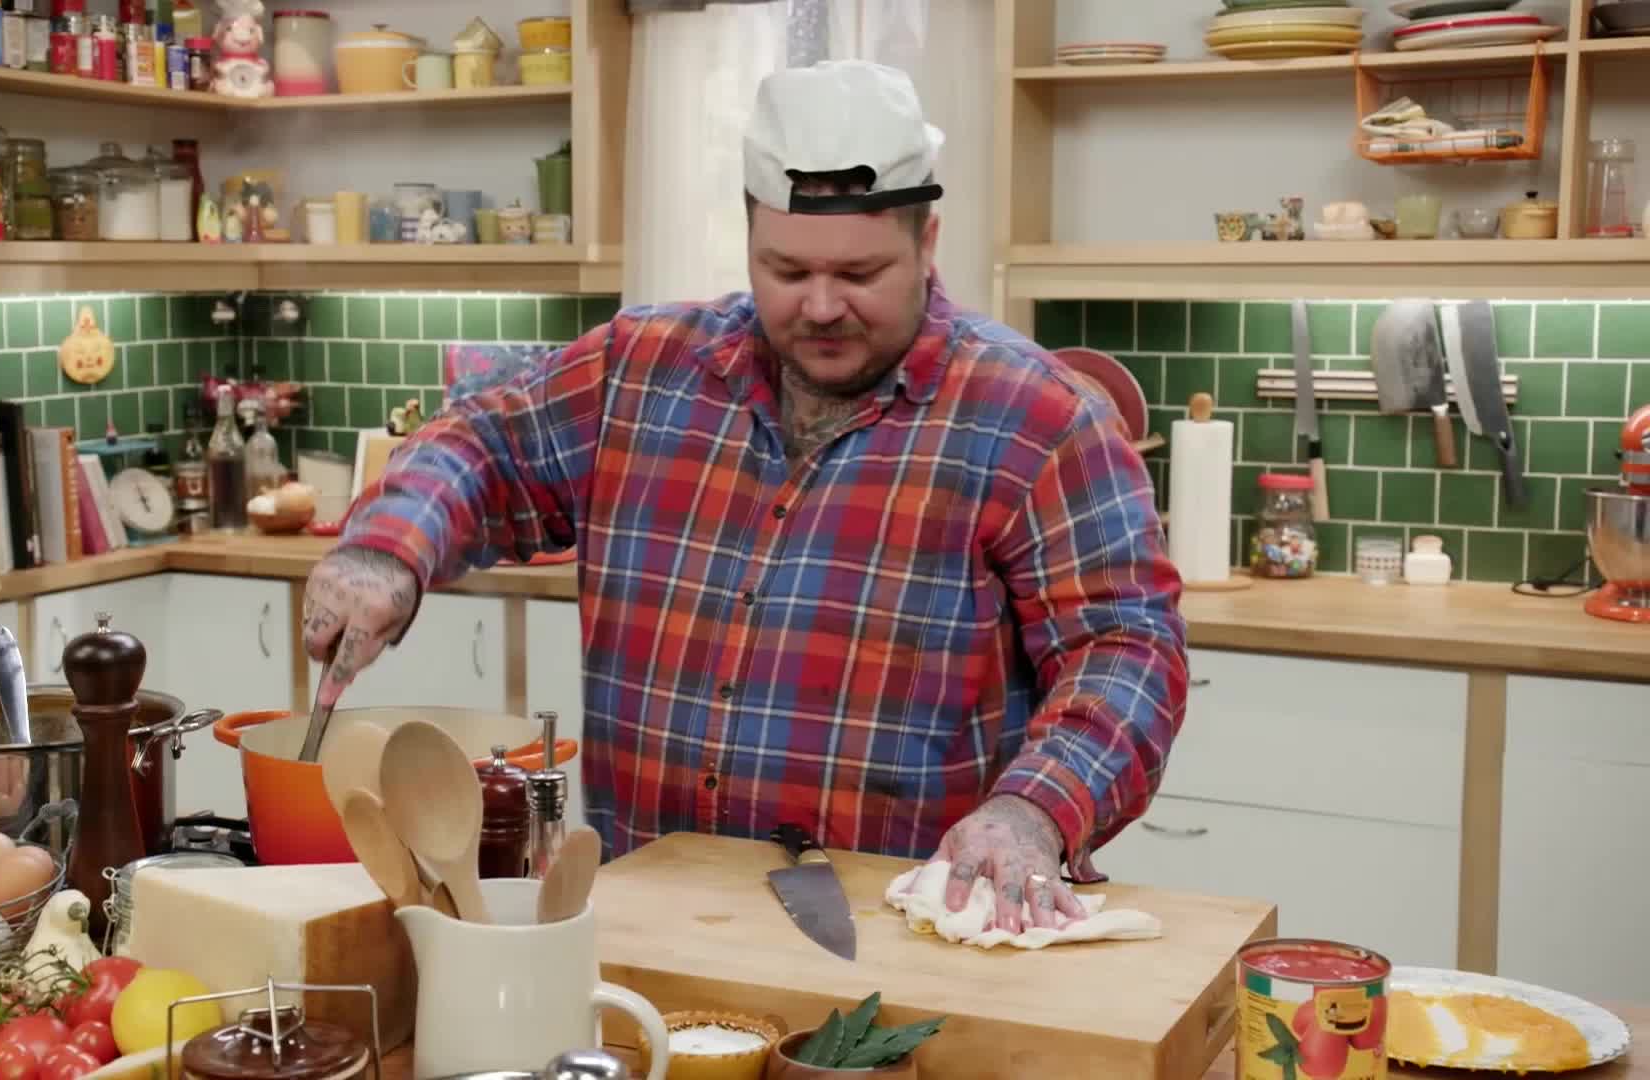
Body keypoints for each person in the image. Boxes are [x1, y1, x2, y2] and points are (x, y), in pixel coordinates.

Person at [302, 60, 1187, 934]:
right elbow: (483, 446)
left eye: (861, 272)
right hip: (641, 921)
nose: (822, 305)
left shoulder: (1038, 420)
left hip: (904, 936)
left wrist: (1034, 810)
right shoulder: (640, 371)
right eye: (787, 270)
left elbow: (1127, 649)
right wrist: (388, 548)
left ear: (927, 243)